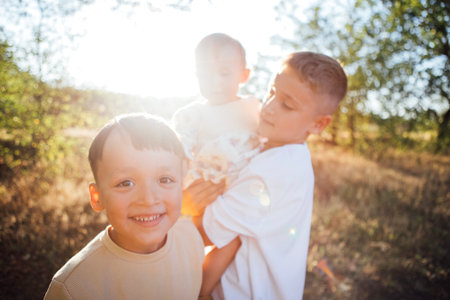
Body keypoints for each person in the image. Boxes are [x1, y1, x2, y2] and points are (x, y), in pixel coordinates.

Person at [189, 51, 348, 299]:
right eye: (272, 91)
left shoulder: (273, 172)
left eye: (288, 105)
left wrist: (178, 206)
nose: (270, 107)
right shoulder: (281, 153)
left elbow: (204, 234)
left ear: (318, 124)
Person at [44, 113, 204, 300]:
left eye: (165, 179)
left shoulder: (191, 239)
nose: (148, 199)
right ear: (97, 197)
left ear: (181, 185)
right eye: (126, 183)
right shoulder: (75, 288)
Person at [172, 33, 261, 195]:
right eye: (205, 74)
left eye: (224, 73)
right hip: (209, 194)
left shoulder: (253, 107)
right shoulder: (192, 115)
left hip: (250, 191)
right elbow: (178, 152)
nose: (215, 82)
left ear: (244, 75)